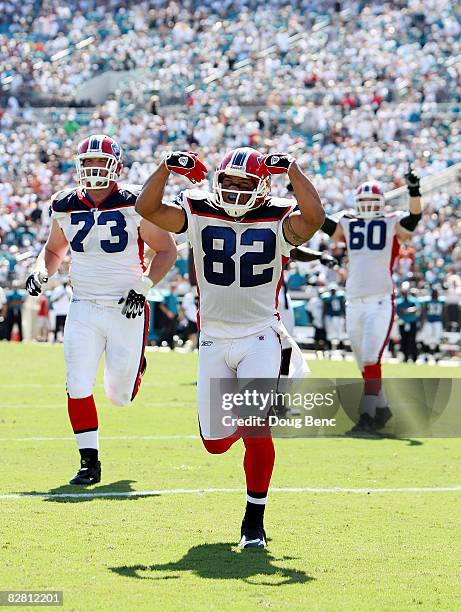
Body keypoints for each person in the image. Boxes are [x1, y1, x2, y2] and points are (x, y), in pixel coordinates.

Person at [136, 147, 325, 548]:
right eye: (229, 183)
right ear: (217, 182)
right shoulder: (199, 207)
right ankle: (261, 410)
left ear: (263, 186)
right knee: (215, 443)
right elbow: (147, 207)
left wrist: (292, 168)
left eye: (245, 184)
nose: (236, 192)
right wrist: (166, 167)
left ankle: (252, 522)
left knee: (256, 429)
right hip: (213, 339)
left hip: (260, 334)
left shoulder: (277, 216)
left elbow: (315, 219)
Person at [25, 134, 177, 486]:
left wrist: (144, 286)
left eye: (100, 163)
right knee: (77, 384)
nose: (93, 169)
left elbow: (166, 250)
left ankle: (136, 364)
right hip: (84, 305)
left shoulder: (135, 203)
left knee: (119, 396)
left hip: (126, 306)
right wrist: (41, 271)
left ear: (116, 167)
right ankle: (88, 462)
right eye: (88, 163)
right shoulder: (64, 204)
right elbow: (53, 249)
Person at [320, 167, 423, 433]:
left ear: (381, 204)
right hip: (353, 300)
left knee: (370, 358)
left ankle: (366, 416)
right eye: (362, 202)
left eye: (371, 202)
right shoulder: (347, 222)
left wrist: (414, 190)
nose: (366, 206)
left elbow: (413, 218)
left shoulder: (391, 222)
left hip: (380, 299)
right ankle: (383, 409)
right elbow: (321, 221)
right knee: (362, 363)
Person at [396, 282, 421, 363]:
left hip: (412, 323)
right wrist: (407, 311)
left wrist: (407, 310)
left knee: (412, 340)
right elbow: (399, 312)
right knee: (404, 340)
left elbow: (417, 309)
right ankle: (405, 357)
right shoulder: (399, 301)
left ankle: (414, 357)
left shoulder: (413, 300)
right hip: (403, 323)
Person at [421, 287, 446, 361]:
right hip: (430, 322)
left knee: (437, 339)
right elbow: (424, 312)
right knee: (427, 339)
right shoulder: (428, 301)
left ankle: (436, 355)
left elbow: (444, 313)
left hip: (436, 322)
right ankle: (426, 355)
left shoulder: (441, 301)